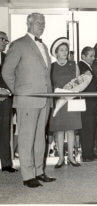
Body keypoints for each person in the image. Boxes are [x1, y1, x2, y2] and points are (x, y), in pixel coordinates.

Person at [2, 13, 56, 188]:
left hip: (45, 100)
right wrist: (19, 92)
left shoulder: (45, 46)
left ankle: (39, 171)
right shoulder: (18, 44)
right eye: (38, 23)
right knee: (26, 138)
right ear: (28, 23)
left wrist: (50, 97)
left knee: (40, 137)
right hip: (27, 100)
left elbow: (46, 75)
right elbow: (6, 72)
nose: (42, 26)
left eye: (44, 23)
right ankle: (27, 175)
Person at [48, 37, 81, 168]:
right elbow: (49, 85)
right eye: (61, 50)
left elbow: (79, 82)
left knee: (71, 130)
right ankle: (61, 158)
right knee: (59, 131)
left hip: (71, 100)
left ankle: (72, 158)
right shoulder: (51, 67)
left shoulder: (74, 65)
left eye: (66, 50)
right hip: (58, 102)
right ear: (56, 52)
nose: (64, 52)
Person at [78, 47, 97, 162]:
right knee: (87, 128)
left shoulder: (88, 66)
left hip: (91, 102)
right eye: (91, 56)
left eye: (93, 56)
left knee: (90, 127)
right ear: (83, 56)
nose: (93, 58)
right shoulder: (82, 66)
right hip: (88, 102)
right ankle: (87, 154)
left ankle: (89, 152)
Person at [0, 31, 17, 173]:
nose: (6, 42)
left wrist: (7, 92)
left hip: (6, 100)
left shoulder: (7, 59)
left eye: (6, 40)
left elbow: (12, 77)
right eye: (3, 39)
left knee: (5, 131)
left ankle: (6, 164)